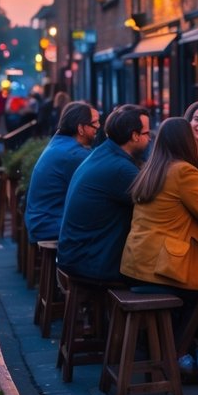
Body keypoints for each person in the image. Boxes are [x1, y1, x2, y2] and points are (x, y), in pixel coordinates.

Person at [121, 117, 198, 384]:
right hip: (162, 269)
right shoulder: (185, 171)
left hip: (135, 265)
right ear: (186, 142)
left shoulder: (151, 168)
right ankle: (187, 348)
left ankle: (178, 347)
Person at [57, 104, 150, 283]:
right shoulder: (121, 169)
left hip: (76, 255)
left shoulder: (104, 152)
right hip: (92, 262)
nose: (150, 139)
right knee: (169, 277)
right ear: (134, 136)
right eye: (147, 134)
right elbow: (158, 204)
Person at [24, 101, 99, 243]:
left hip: (41, 221)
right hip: (49, 224)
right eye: (94, 123)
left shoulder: (61, 142)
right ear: (81, 128)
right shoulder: (73, 154)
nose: (98, 127)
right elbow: (96, 187)